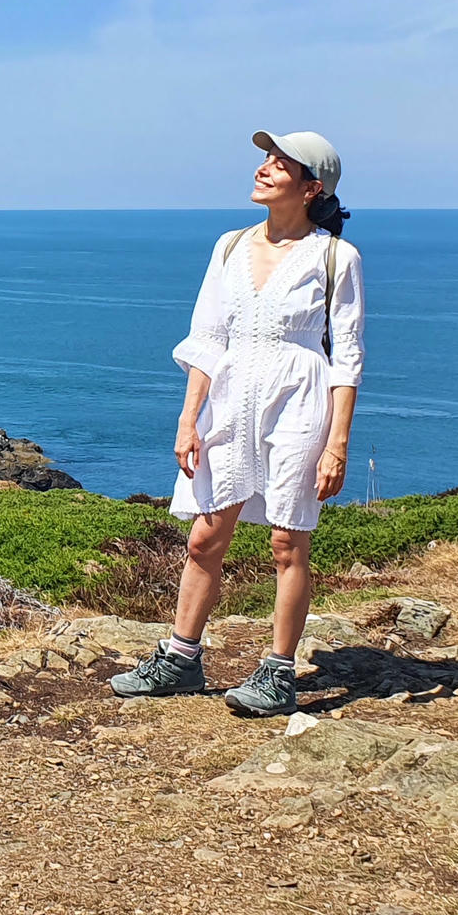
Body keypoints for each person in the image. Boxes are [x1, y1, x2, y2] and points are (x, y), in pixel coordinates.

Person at [110, 130, 365, 717]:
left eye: (282, 163)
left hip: (300, 401)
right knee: (205, 536)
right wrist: (187, 419)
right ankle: (180, 659)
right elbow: (207, 340)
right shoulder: (228, 246)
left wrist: (337, 444)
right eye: (266, 157)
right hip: (229, 400)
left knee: (286, 541)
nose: (265, 166)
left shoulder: (335, 257)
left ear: (311, 187)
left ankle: (278, 674)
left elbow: (347, 356)